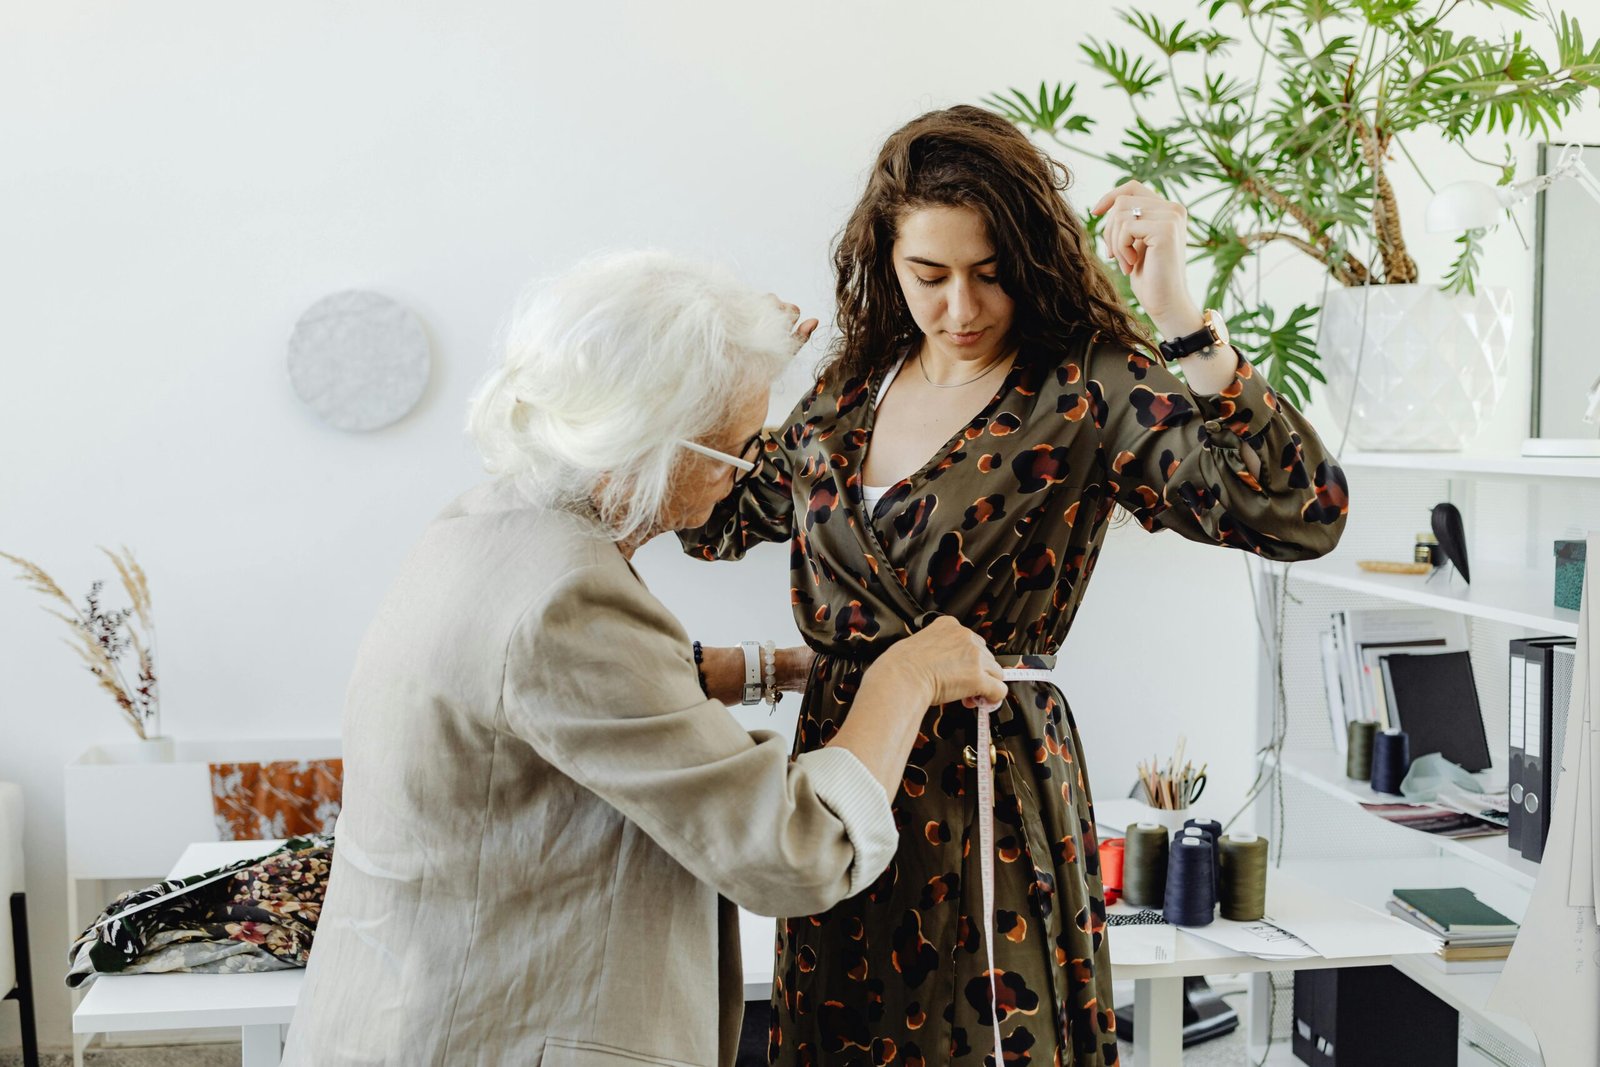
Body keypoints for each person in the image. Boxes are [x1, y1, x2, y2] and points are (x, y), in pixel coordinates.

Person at [678, 106, 1349, 1066]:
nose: (960, 307)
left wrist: (1181, 318)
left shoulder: (1083, 386)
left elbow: (1299, 508)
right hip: (840, 779)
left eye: (989, 273)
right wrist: (735, 383)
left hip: (988, 789)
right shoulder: (846, 391)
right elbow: (708, 520)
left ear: (1028, 258)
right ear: (886, 261)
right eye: (930, 276)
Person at [280, 251, 1009, 1067]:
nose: (743, 478)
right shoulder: (569, 601)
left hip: (399, 1008)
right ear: (651, 440)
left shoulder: (485, 527)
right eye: (737, 448)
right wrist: (904, 677)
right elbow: (790, 851)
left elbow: (564, 707)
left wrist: (772, 667)